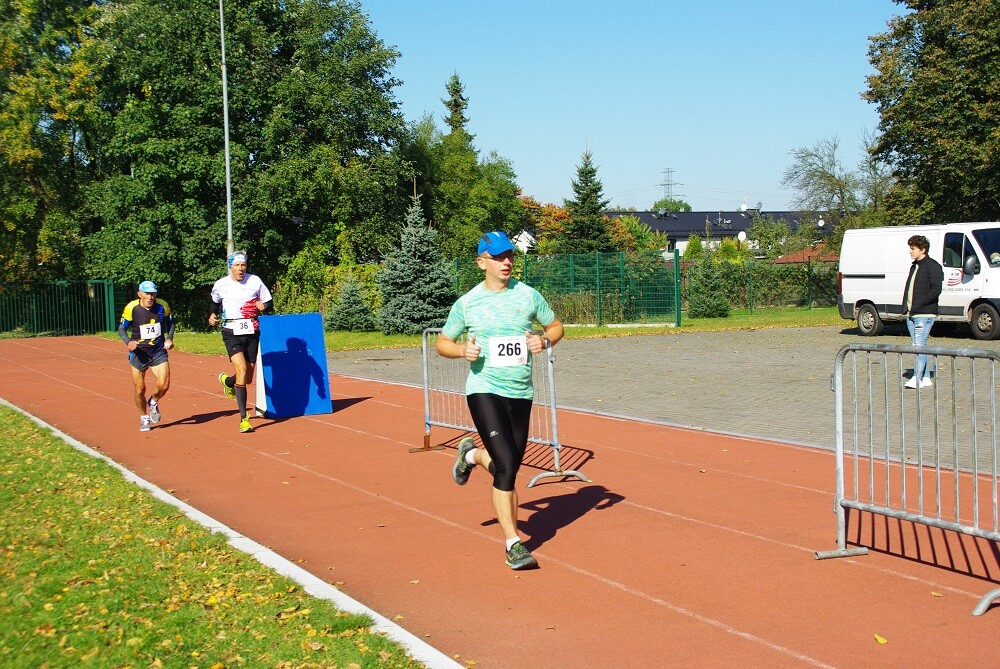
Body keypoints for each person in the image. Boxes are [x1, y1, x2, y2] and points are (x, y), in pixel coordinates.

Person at [436, 231, 564, 570]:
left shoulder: (528, 296)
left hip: (520, 392)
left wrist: (544, 341)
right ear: (482, 263)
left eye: (509, 255)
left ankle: (473, 455)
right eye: (497, 257)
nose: (506, 262)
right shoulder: (468, 303)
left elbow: (556, 326)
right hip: (484, 389)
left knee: (509, 466)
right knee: (506, 467)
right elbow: (443, 343)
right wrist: (463, 349)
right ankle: (513, 543)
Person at [208, 250, 273, 432]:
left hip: (252, 331)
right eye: (237, 265)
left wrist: (264, 306)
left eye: (243, 265)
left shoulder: (255, 281)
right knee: (242, 369)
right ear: (230, 267)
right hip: (231, 330)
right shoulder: (221, 284)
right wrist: (212, 315)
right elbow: (214, 303)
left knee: (248, 377)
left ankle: (228, 382)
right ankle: (244, 419)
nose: (240, 269)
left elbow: (269, 302)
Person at [118, 280, 174, 432]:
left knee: (164, 385)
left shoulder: (162, 305)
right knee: (139, 389)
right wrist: (128, 342)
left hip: (157, 351)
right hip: (139, 353)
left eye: (153, 293)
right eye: (147, 294)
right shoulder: (132, 307)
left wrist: (169, 338)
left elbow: (171, 323)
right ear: (140, 294)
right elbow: (121, 329)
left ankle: (154, 401)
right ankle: (144, 418)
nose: (150, 297)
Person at [902, 234, 943, 389]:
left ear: (922, 249)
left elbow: (936, 289)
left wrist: (922, 302)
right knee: (918, 346)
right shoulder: (914, 266)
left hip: (924, 314)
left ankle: (917, 378)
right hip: (912, 313)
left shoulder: (933, 266)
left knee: (919, 346)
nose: (910, 251)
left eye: (912, 248)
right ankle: (925, 377)